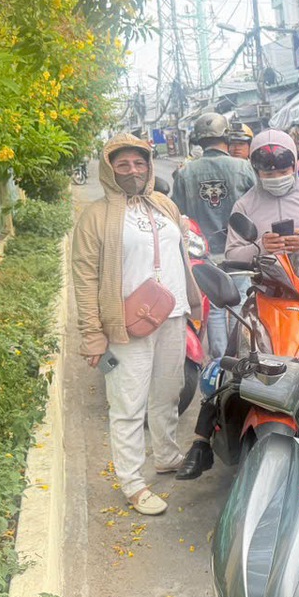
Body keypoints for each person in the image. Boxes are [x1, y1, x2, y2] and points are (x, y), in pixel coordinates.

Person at [175, 129, 299, 480]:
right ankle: (201, 441)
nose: (275, 176)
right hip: (267, 297)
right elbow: (232, 252)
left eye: (282, 169)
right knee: (230, 362)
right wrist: (260, 248)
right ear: (256, 170)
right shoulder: (246, 205)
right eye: (267, 171)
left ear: (294, 163)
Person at [72, 134, 203, 515]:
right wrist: (92, 335)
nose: (133, 171)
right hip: (126, 325)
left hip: (173, 316)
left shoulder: (164, 204)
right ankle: (132, 482)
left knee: (168, 393)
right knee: (128, 404)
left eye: (139, 163)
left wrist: (192, 302)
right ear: (109, 169)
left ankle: (166, 455)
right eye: (123, 164)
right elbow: (85, 277)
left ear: (149, 166)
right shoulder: (96, 216)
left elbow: (183, 251)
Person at [171, 112, 257, 360]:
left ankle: (220, 360)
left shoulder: (185, 172)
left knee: (216, 307)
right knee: (240, 303)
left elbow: (178, 213)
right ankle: (240, 355)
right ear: (226, 136)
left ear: (199, 140)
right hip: (239, 251)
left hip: (204, 254)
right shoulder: (243, 167)